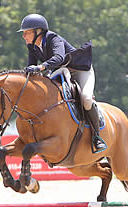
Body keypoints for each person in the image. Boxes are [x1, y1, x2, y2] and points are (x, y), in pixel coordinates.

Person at [18, 13, 107, 153]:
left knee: (86, 99)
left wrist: (40, 67)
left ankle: (97, 137)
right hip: (62, 72)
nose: (24, 36)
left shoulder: (53, 38)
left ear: (38, 32)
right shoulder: (32, 46)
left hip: (80, 71)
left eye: (27, 32)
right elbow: (32, 66)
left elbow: (59, 57)